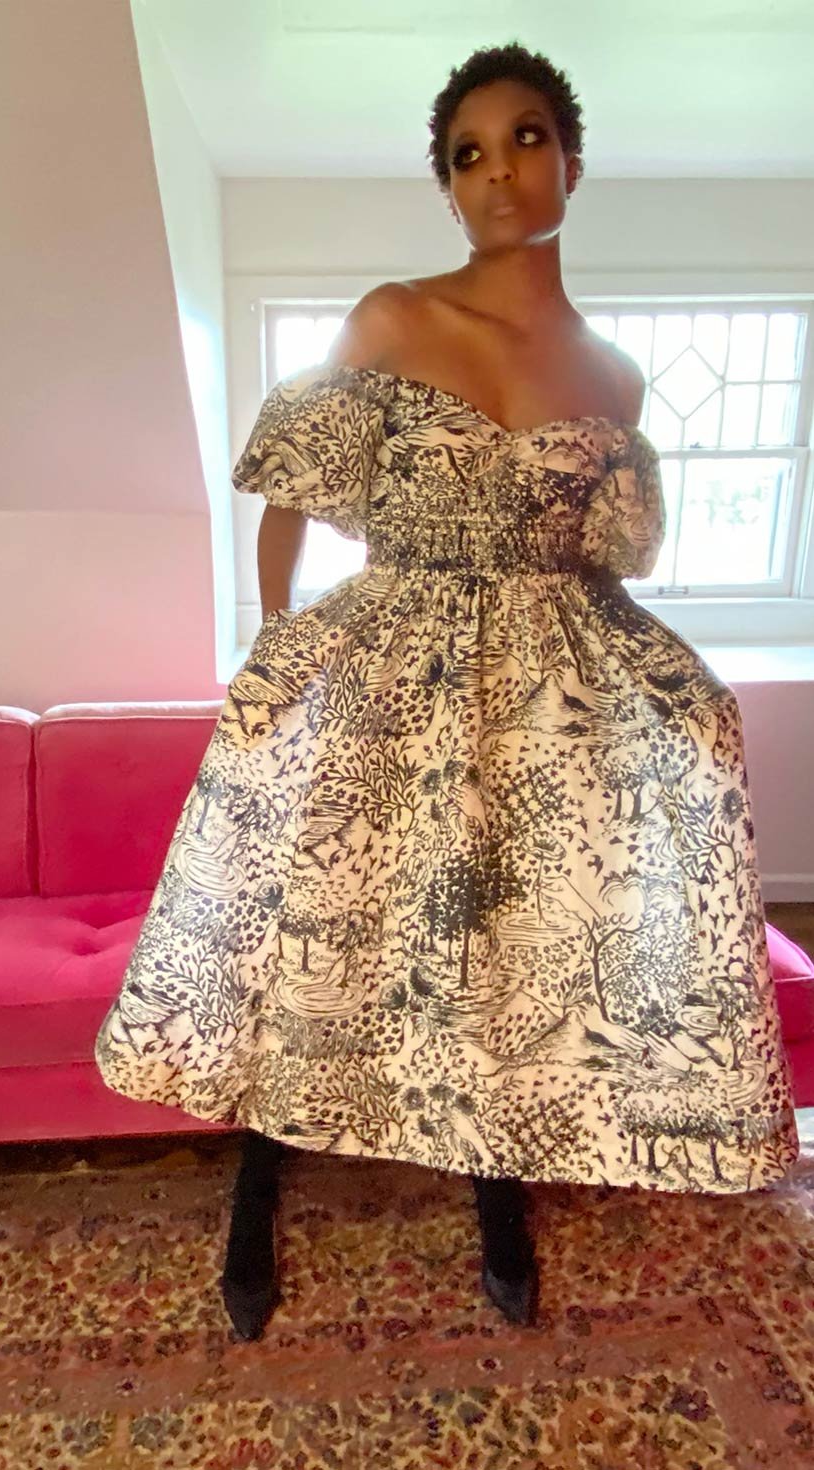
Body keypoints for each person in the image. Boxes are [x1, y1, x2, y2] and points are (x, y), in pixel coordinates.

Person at [94, 41, 800, 1342]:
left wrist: (676, 693)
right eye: (468, 155)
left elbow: (601, 569)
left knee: (497, 949)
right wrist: (279, 649)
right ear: (449, 187)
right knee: (325, 938)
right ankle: (258, 1182)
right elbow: (291, 499)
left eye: (526, 138)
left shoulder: (616, 378)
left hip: (534, 712)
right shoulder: (392, 320)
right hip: (386, 677)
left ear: (573, 161)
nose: (499, 173)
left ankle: (494, 1186)